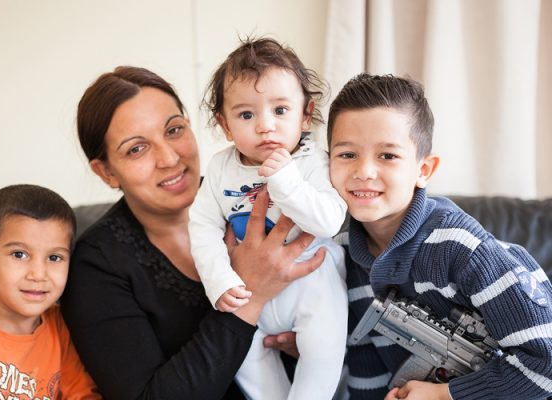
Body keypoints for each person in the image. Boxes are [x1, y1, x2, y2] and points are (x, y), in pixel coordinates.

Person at [60, 65, 325, 400]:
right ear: (106, 172)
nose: (170, 158)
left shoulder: (253, 194)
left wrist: (319, 346)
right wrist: (251, 297)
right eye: (136, 149)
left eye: (173, 130)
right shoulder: (95, 266)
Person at [326, 73, 552, 399]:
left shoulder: (462, 249)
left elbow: (546, 364)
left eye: (387, 155)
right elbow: (366, 361)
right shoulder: (340, 254)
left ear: (424, 170)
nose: (364, 172)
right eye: (347, 154)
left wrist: (445, 395)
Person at [188, 38, 348, 400]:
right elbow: (202, 227)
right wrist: (219, 280)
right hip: (247, 291)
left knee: (324, 348)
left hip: (312, 282)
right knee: (243, 357)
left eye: (280, 110)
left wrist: (285, 181)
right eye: (246, 115)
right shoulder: (219, 169)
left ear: (305, 114)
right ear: (225, 125)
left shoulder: (311, 161)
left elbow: (328, 222)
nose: (265, 126)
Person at [0, 184, 101, 399]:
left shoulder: (61, 327)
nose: (38, 274)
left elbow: (83, 395)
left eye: (54, 258)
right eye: (19, 254)